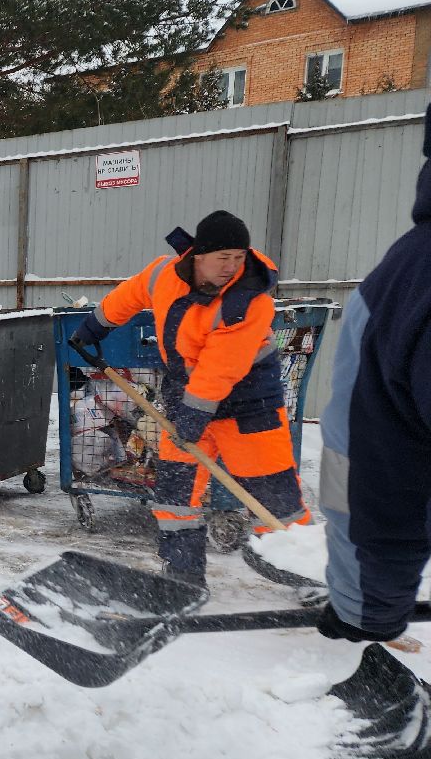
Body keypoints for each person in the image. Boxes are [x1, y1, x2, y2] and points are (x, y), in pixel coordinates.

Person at [70, 211, 310, 586]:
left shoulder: (248, 301)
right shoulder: (164, 273)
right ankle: (183, 574)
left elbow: (219, 368)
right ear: (198, 255)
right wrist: (94, 325)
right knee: (175, 491)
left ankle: (307, 573)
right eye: (223, 258)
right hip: (188, 400)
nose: (232, 267)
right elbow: (130, 293)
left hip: (248, 407)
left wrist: (192, 418)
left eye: (239, 257)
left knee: (274, 493)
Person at [318, 105, 431, 645]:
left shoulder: (398, 278)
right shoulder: (400, 279)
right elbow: (360, 469)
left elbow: (367, 473)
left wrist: (366, 604)